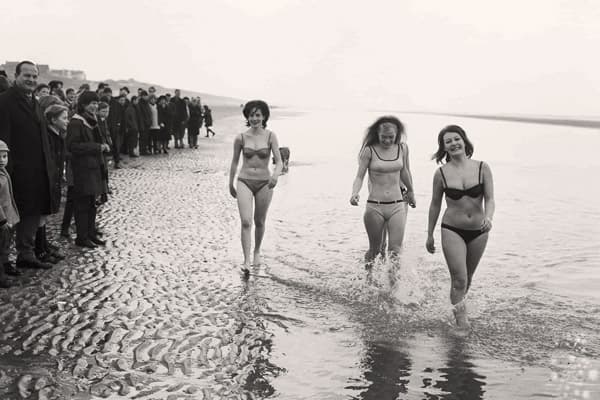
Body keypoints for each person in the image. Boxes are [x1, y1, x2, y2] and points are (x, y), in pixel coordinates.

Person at [426, 125, 495, 330]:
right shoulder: (441, 173)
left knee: (468, 278)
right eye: (448, 142)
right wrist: (429, 234)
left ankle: (457, 310)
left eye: (456, 139)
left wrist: (489, 218)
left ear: (464, 141)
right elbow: (435, 204)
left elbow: (490, 199)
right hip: (452, 229)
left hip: (479, 231)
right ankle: (461, 325)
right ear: (444, 148)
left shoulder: (483, 167)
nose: (454, 143)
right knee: (459, 279)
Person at [0, 61, 54, 271]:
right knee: (8, 217)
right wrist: (6, 170)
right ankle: (4, 261)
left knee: (31, 214)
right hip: (15, 170)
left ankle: (26, 254)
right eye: (27, 76)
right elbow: (3, 139)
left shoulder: (36, 102)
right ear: (16, 76)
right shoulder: (4, 102)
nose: (31, 80)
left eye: (34, 76)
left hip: (37, 170)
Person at [350, 116, 416, 266]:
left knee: (395, 251)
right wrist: (354, 193)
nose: (387, 141)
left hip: (397, 204)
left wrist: (411, 192)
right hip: (375, 206)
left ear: (397, 134)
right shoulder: (369, 151)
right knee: (375, 249)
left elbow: (405, 171)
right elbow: (359, 176)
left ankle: (394, 288)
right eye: (383, 137)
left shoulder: (402, 148)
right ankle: (369, 280)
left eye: (391, 137)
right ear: (377, 135)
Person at [229, 100, 282, 276]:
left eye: (258, 115)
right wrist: (231, 182)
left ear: (264, 116)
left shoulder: (270, 136)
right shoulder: (241, 137)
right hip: (244, 180)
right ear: (247, 116)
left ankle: (257, 251)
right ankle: (245, 261)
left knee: (259, 221)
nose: (254, 118)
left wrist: (275, 175)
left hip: (264, 183)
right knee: (246, 221)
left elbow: (279, 161)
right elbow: (235, 161)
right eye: (251, 115)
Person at [65, 91, 109, 248]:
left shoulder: (92, 120)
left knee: (92, 203)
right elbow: (73, 146)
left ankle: (91, 233)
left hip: (94, 167)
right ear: (83, 104)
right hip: (82, 169)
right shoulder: (76, 122)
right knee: (82, 204)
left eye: (96, 103)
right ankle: (82, 237)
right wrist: (98, 147)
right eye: (92, 103)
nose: (95, 106)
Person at [36, 104, 69, 264]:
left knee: (45, 214)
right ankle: (40, 250)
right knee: (42, 214)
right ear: (53, 119)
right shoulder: (48, 136)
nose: (67, 121)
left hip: (54, 179)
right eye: (64, 118)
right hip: (46, 179)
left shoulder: (58, 135)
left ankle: (43, 246)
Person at [0, 140, 20, 286]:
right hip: (2, 220)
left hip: (8, 216)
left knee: (6, 244)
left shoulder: (4, 173)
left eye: (4, 156)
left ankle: (5, 265)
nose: (2, 160)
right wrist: (2, 220)